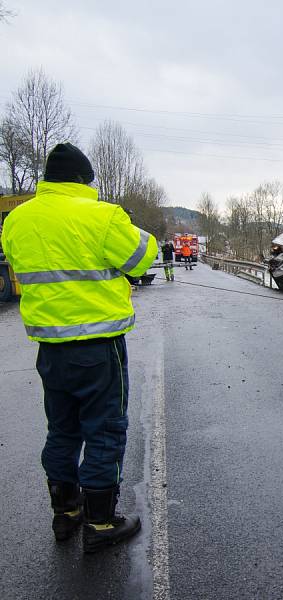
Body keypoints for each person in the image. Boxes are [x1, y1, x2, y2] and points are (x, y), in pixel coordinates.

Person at [0, 142, 158, 552]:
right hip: (99, 348)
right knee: (105, 430)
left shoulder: (16, 220)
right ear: (83, 179)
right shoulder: (102, 215)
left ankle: (65, 513)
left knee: (62, 429)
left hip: (50, 349)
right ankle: (102, 524)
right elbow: (142, 258)